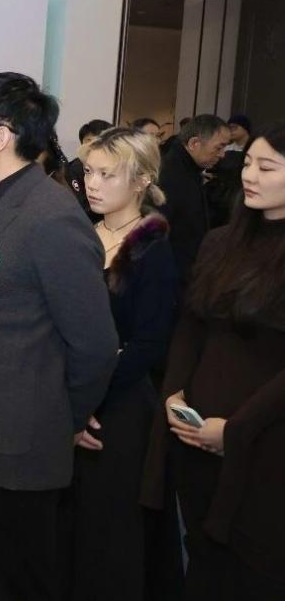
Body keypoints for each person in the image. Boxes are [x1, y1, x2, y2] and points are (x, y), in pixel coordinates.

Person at [0, 72, 118, 601]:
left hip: (16, 454)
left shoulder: (50, 217)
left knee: (15, 585)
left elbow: (94, 345)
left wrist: (62, 419)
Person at [143, 123, 285, 600]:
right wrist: (173, 395)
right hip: (196, 436)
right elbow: (191, 326)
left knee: (253, 569)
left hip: (263, 444)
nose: (250, 175)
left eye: (267, 167)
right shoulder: (221, 241)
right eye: (248, 163)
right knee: (201, 559)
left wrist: (236, 431)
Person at [69, 127, 183, 601]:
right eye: (89, 172)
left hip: (118, 405)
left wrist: (89, 400)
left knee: (109, 530)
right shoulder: (78, 232)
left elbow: (148, 343)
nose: (92, 184)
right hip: (68, 397)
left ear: (141, 180)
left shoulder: (151, 245)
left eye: (107, 175)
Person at [158, 114, 231, 282]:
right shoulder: (169, 176)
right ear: (194, 144)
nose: (222, 155)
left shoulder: (190, 169)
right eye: (219, 148)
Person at [207, 113, 252, 227]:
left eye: (235, 127)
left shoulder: (253, 149)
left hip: (241, 194)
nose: (231, 130)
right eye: (229, 127)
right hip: (220, 195)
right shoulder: (226, 149)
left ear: (245, 129)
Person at [65, 119, 113, 217]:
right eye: (89, 141)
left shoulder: (117, 167)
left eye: (98, 141)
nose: (93, 146)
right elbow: (80, 206)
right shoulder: (75, 169)